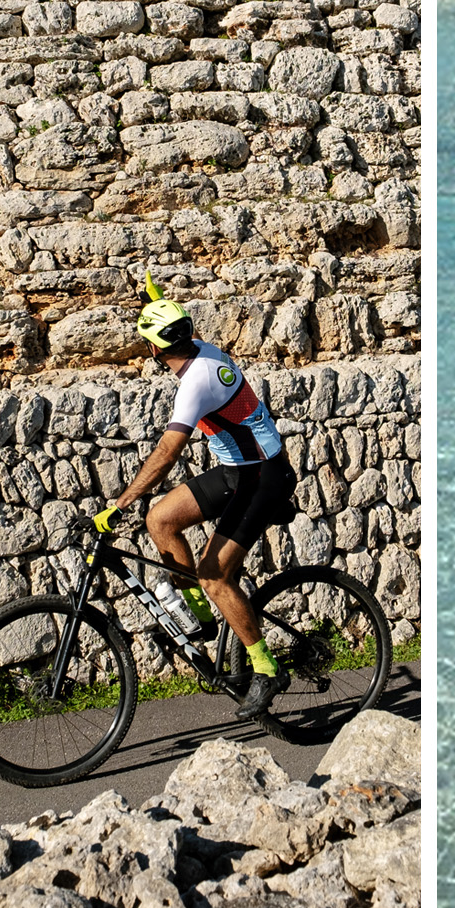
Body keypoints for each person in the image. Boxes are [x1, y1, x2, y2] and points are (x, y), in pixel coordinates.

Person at [96, 275, 299, 720]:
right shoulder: (197, 347)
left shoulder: (196, 383)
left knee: (214, 575)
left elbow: (168, 452)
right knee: (161, 520)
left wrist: (119, 503)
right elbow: (172, 324)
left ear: (152, 350)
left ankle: (267, 669)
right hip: (235, 471)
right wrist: (155, 301)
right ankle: (200, 617)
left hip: (264, 476)